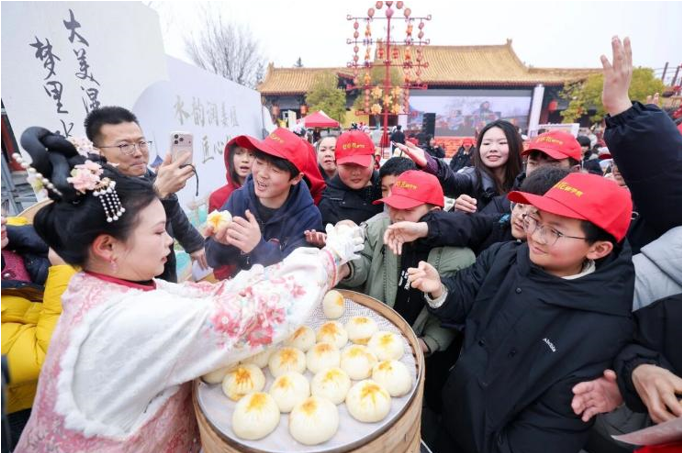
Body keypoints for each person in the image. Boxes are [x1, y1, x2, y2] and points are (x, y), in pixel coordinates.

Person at [12, 128, 362, 452]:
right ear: (107, 247)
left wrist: (266, 265)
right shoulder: (134, 318)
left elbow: (201, 294)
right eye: (158, 232)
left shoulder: (97, 286)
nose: (170, 242)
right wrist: (330, 258)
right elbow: (258, 312)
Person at [408, 172, 636, 453]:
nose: (536, 236)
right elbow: (464, 295)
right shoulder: (505, 256)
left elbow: (552, 426)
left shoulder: (602, 327)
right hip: (454, 409)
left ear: (598, 249)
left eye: (555, 231)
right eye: (535, 220)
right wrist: (440, 289)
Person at [84, 106, 206, 282]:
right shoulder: (94, 187)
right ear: (98, 151)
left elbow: (175, 215)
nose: (138, 152)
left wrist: (194, 244)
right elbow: (129, 229)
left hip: (164, 277)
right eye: (124, 145)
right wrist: (159, 191)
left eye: (141, 143)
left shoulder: (146, 174)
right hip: (129, 283)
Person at [1, 216, 76, 448]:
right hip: (30, 411)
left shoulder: (18, 234)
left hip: (75, 383)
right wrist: (63, 269)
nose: (2, 218)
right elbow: (45, 356)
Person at [205, 128, 323, 273]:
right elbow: (211, 259)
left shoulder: (308, 216)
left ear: (296, 178)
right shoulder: (239, 199)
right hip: (243, 285)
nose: (262, 174)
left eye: (275, 170)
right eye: (259, 162)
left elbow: (298, 273)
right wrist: (221, 244)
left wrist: (258, 247)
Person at [383, 167, 571, 256]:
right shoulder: (500, 223)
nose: (522, 217)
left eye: (534, 214)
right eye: (520, 206)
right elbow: (468, 224)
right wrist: (424, 228)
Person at [396, 120, 523, 215]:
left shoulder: (525, 181)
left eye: (502, 143)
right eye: (486, 143)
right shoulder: (472, 176)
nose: (493, 148)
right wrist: (432, 165)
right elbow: (453, 181)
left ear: (515, 145)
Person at [318, 129, 383, 226]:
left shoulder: (388, 187)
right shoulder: (328, 203)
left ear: (374, 161)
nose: (355, 172)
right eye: (347, 166)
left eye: (362, 164)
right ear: (336, 164)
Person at [208, 141, 254, 213]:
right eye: (239, 153)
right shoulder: (217, 197)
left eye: (251, 154)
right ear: (231, 158)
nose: (245, 160)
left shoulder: (265, 194)